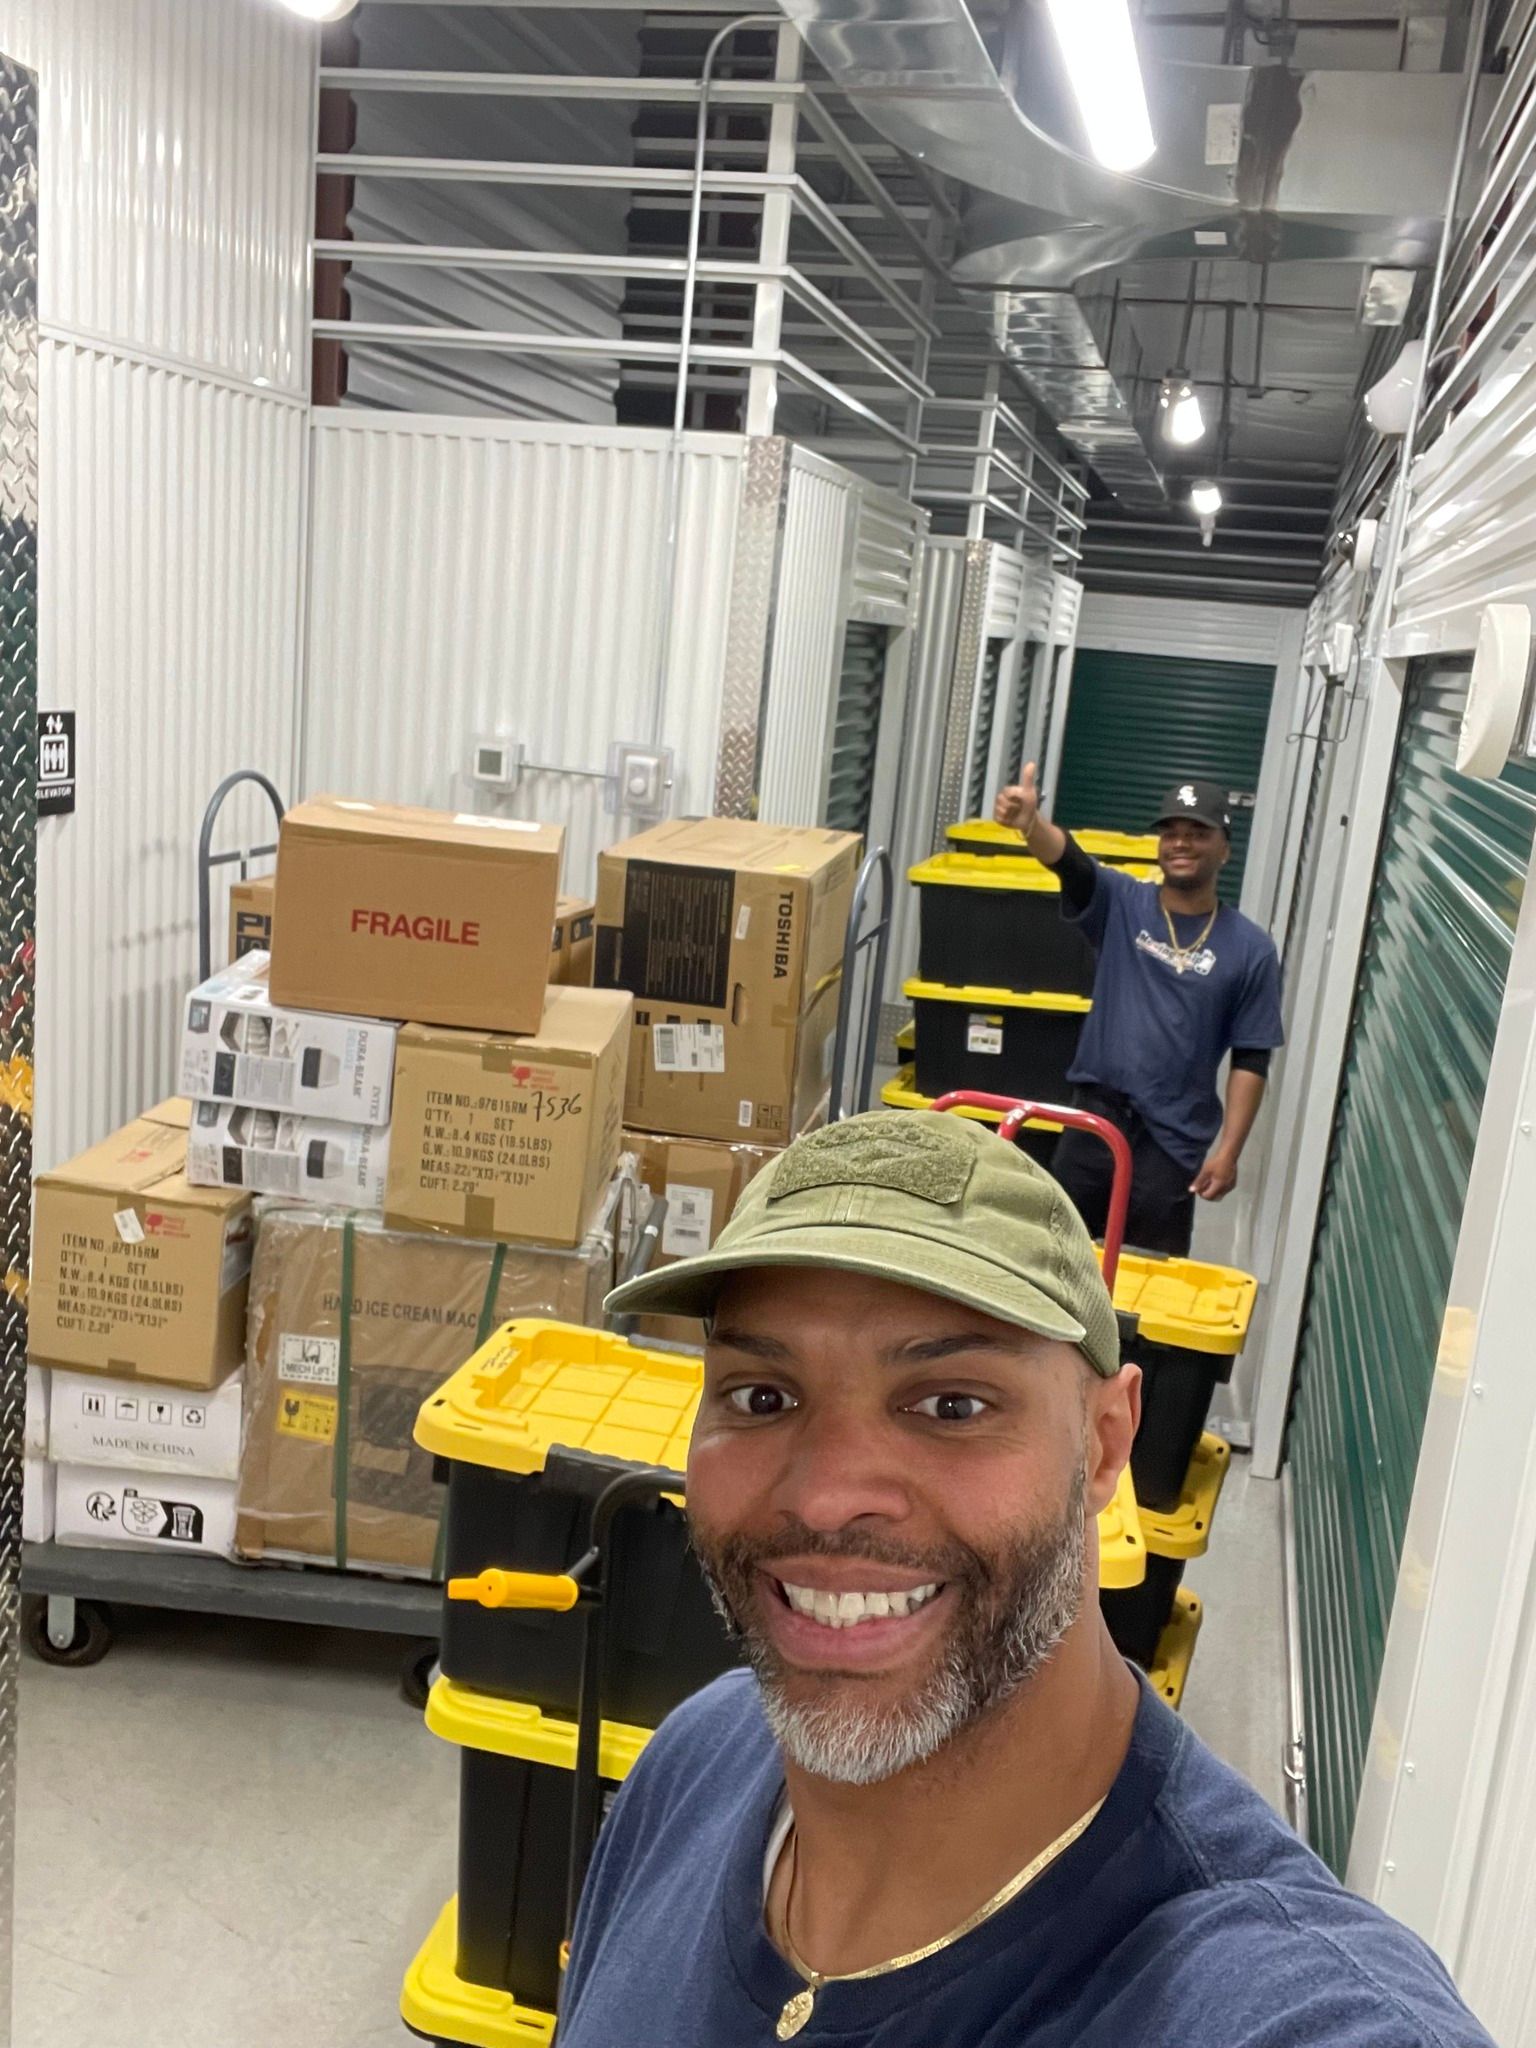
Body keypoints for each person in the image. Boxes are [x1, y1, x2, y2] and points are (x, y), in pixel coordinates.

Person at [559, 1112, 1493, 2048]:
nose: (829, 1495)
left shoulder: (1278, 2010)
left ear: (1105, 1442)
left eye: (951, 1405)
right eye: (763, 1397)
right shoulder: (695, 1761)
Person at [993, 765, 1283, 1256]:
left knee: (1144, 1277)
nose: (1181, 844)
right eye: (1170, 834)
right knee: (1054, 1257)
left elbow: (1251, 1059)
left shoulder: (1251, 949)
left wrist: (1229, 1151)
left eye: (1198, 833)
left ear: (1225, 849)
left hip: (1172, 1144)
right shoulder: (1123, 903)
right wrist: (1030, 824)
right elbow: (1071, 864)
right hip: (1094, 1122)